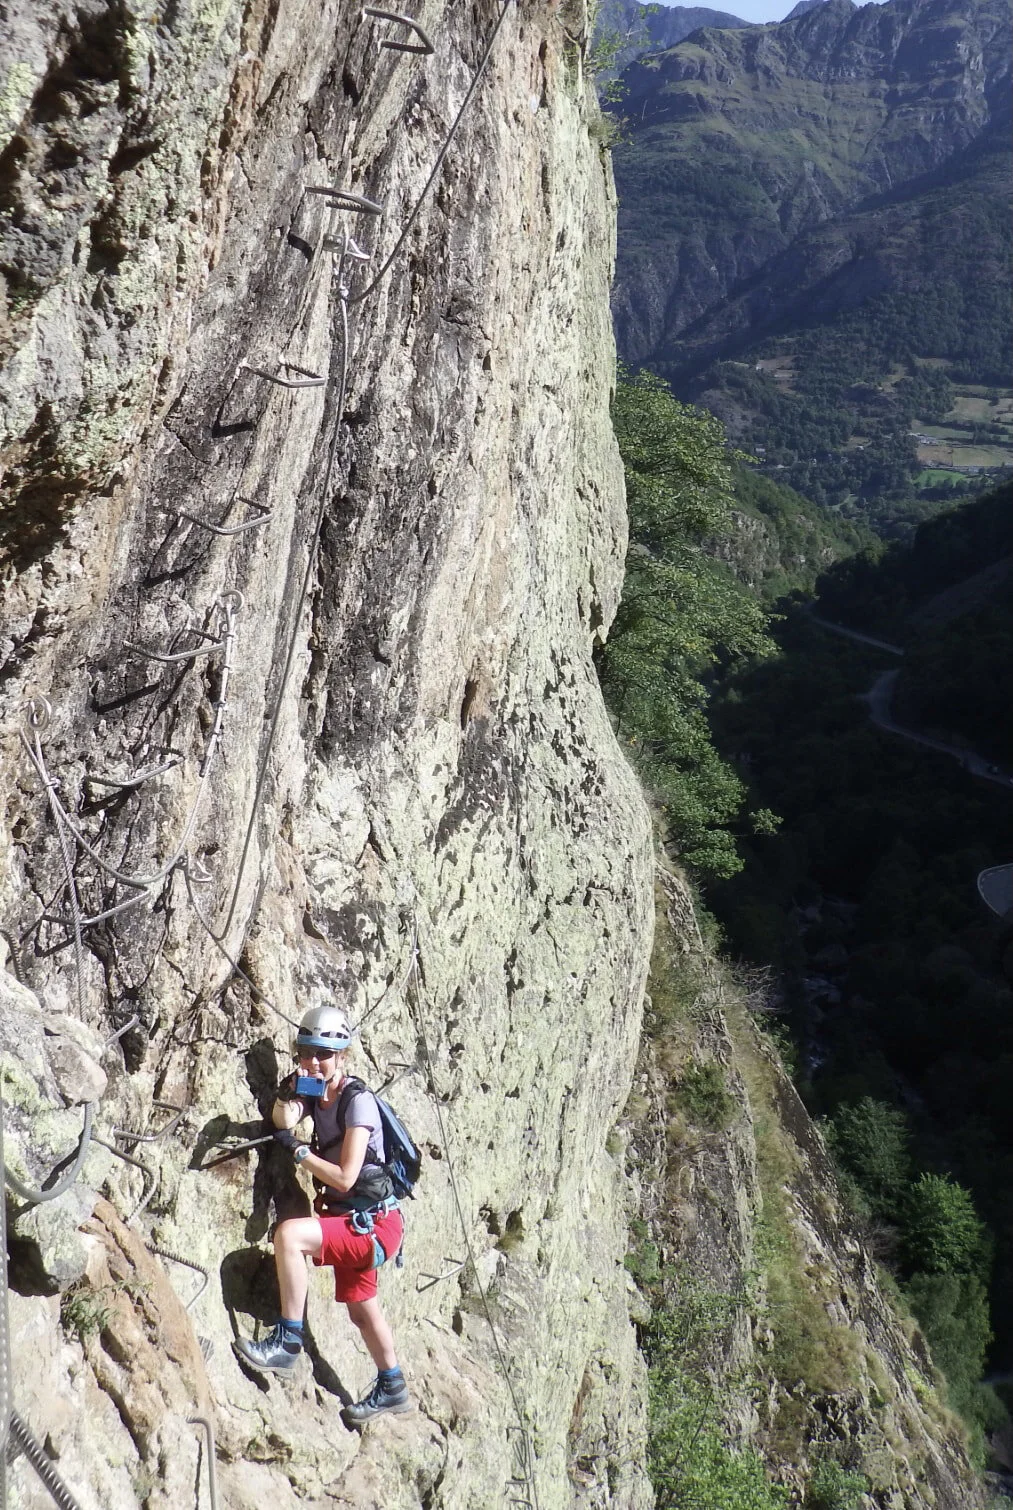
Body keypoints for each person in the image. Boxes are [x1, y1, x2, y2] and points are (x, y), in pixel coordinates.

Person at [233, 1005, 410, 1425]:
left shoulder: (358, 1103)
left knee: (289, 1236)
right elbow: (285, 1118)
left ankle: (288, 1342)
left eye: (324, 1054)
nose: (314, 1061)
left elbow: (347, 1177)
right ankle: (394, 1386)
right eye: (306, 1052)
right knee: (361, 1308)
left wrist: (299, 1152)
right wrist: (285, 1095)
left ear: (342, 1056)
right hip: (355, 1219)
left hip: (372, 1224)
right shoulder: (317, 1090)